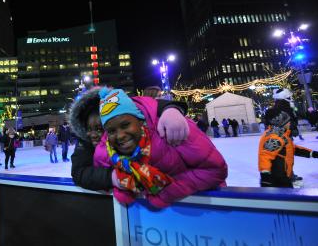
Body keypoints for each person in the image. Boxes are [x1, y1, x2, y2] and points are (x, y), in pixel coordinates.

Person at [94, 87, 227, 208]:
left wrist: (166, 190)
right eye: (111, 131)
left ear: (140, 120)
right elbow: (100, 170)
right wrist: (121, 185)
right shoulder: (108, 147)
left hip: (207, 209)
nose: (120, 135)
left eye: (125, 125)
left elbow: (216, 169)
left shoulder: (171, 128)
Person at [70, 87, 190, 191]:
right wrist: (112, 177)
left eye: (99, 128)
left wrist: (170, 109)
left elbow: (146, 106)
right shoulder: (85, 142)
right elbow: (79, 173)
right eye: (89, 129)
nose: (93, 134)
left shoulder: (134, 133)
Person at [259, 108, 318, 188]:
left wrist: (313, 154)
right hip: (276, 180)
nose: (289, 123)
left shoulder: (281, 134)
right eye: (287, 121)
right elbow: (265, 156)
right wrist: (266, 178)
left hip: (283, 176)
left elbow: (292, 148)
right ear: (280, 122)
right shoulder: (275, 137)